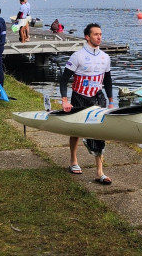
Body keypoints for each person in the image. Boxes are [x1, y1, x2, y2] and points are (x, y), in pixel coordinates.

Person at [59, 23, 114, 182]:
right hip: (80, 97)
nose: (99, 37)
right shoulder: (78, 56)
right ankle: (73, 161)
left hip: (98, 97)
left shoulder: (105, 57)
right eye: (96, 34)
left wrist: (111, 101)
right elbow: (64, 80)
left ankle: (99, 172)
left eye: (101, 34)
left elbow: (108, 81)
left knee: (99, 132)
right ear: (87, 37)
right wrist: (64, 100)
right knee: (76, 130)